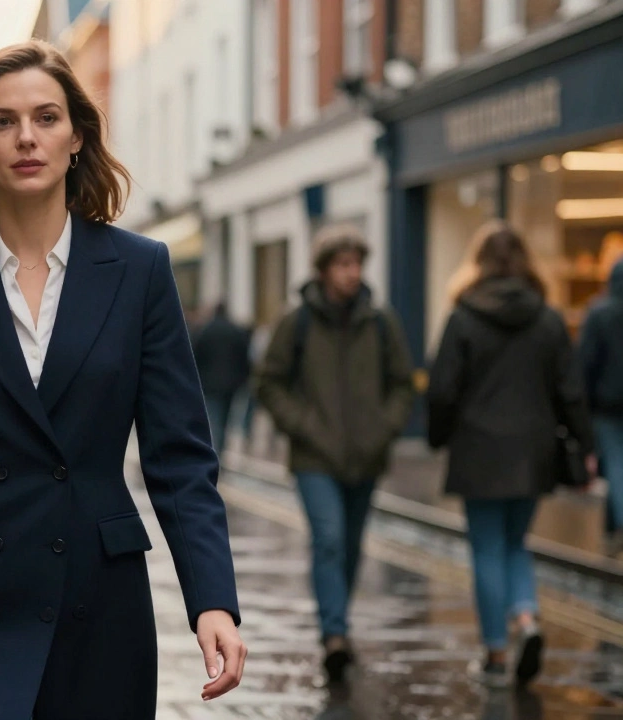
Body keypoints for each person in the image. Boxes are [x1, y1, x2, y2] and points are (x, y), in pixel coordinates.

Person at [0, 40, 245, 719]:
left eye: (46, 117)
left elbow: (180, 456)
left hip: (97, 599)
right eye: (3, 121)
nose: (26, 137)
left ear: (77, 138)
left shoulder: (141, 270)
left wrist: (211, 597)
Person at [426, 221, 595, 687]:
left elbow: (441, 391)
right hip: (534, 449)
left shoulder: (462, 317)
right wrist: (585, 446)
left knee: (486, 547)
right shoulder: (547, 318)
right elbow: (570, 391)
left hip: (478, 450)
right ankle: (528, 618)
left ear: (477, 262)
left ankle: (496, 653)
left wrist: (438, 437)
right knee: (516, 542)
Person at [254, 223, 415, 683]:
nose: (351, 273)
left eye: (357, 264)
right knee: (327, 538)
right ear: (324, 270)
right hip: (314, 458)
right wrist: (303, 426)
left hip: (366, 455)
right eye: (343, 264)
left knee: (349, 545)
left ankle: (337, 620)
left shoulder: (381, 322)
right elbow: (268, 382)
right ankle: (335, 636)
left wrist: (384, 428)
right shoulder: (297, 321)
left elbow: (403, 383)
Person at [581, 258, 623, 556]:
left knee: (616, 466)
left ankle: (617, 526)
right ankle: (612, 528)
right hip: (607, 404)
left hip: (607, 405)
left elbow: (586, 364)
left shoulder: (599, 314)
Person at [190, 301, 252, 453]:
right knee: (225, 419)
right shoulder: (236, 331)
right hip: (231, 383)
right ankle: (219, 449)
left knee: (215, 418)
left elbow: (195, 355)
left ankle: (215, 451)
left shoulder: (205, 330)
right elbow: (244, 357)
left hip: (209, 383)